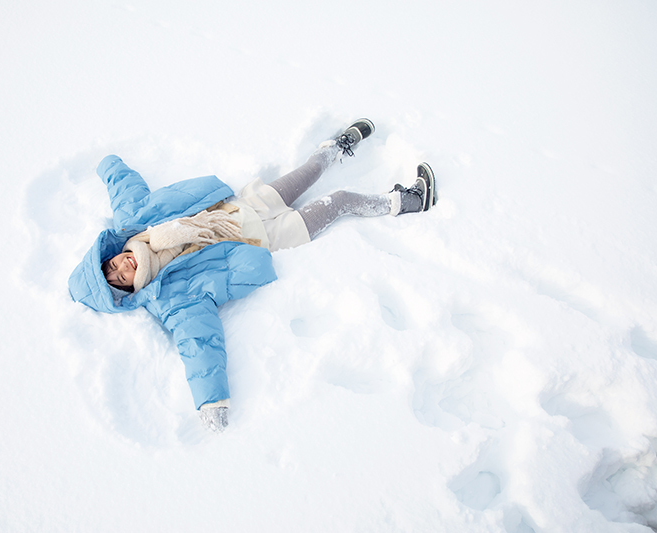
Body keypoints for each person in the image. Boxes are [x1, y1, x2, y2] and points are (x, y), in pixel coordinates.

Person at [68, 119, 437, 432]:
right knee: (338, 201)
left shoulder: (136, 223)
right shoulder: (168, 294)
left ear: (112, 254)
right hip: (268, 237)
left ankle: (338, 148)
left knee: (308, 172)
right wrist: (211, 402)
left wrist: (107, 165)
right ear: (126, 290)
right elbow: (197, 340)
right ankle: (405, 201)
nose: (121, 269)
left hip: (245, 206)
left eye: (112, 265)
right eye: (117, 280)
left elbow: (124, 188)